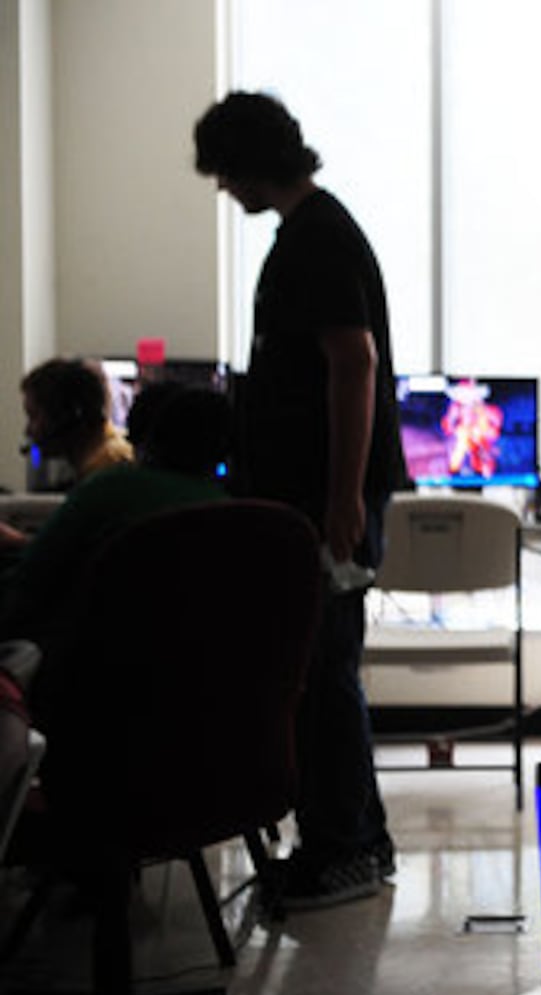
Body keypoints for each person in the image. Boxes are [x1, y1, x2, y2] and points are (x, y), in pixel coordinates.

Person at [194, 91, 408, 909]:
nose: (221, 188)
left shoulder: (316, 239)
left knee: (322, 676)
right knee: (324, 672)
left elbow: (353, 365)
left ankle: (341, 849)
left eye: (223, 172)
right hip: (316, 496)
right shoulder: (316, 232)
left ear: (249, 162)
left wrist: (343, 499)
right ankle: (360, 839)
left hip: (322, 502)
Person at [0, 385, 232, 728]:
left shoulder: (110, 488)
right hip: (196, 693)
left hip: (90, 685)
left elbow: (32, 579)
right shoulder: (232, 510)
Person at [0, 359, 135, 554]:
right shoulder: (106, 453)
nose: (29, 431)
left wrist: (17, 540)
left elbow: (89, 553)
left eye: (34, 416)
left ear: (69, 415)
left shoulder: (108, 465)